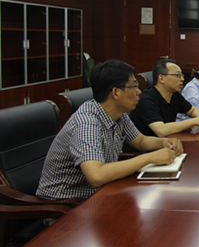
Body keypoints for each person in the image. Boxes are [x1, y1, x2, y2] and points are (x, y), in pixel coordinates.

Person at [36, 59, 184, 201]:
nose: (139, 92)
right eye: (134, 86)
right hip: (66, 203)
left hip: (100, 193)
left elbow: (141, 141)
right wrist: (150, 158)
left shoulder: (119, 114)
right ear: (116, 92)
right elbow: (96, 175)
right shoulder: (87, 122)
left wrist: (165, 142)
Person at [129, 59, 199, 137]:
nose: (182, 79)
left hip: (167, 141)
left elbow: (191, 110)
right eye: (177, 75)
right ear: (162, 78)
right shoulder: (147, 99)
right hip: (147, 146)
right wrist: (195, 121)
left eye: (181, 75)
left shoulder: (174, 94)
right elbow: (161, 130)